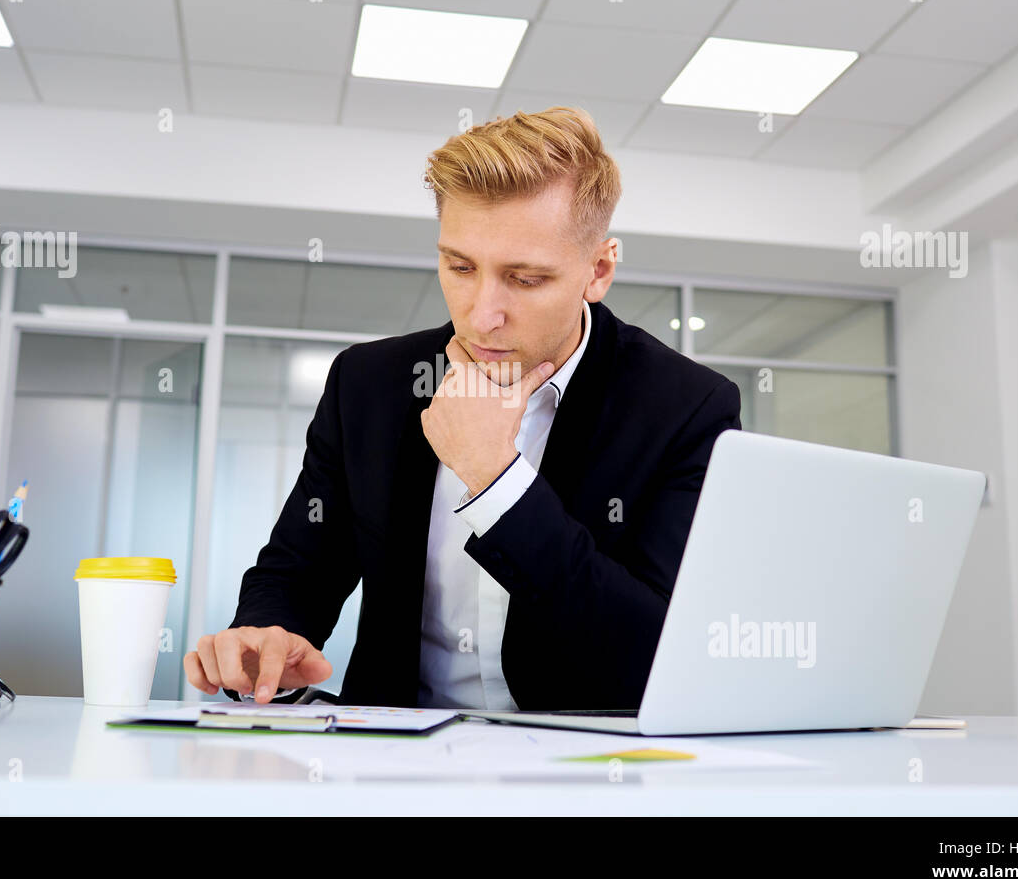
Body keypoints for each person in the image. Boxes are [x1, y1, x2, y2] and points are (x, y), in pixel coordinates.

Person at [183, 106, 741, 710]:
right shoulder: (369, 384)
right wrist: (267, 634)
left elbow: (651, 655)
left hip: (582, 770)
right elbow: (299, 565)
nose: (481, 316)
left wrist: (495, 482)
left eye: (525, 279)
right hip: (397, 761)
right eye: (460, 266)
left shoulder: (686, 407)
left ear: (598, 271)